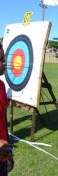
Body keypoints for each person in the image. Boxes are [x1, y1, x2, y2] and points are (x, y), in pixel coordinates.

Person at [0, 43, 15, 175]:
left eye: (3, 59)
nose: (5, 63)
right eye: (0, 60)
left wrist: (9, 152)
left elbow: (3, 118)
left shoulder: (1, 85)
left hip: (3, 153)